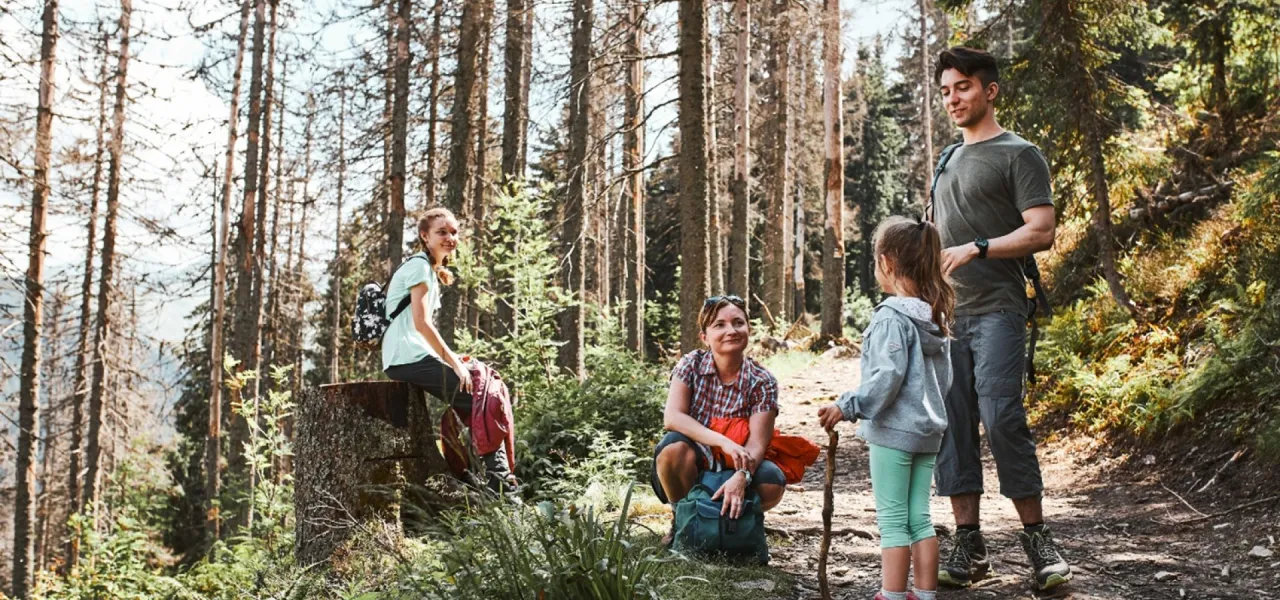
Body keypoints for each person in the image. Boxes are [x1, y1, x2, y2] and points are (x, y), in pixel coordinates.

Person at [928, 46, 1070, 591]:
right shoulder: (945, 160)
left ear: (990, 90)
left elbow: (1041, 230)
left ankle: (1037, 541)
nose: (953, 98)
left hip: (1001, 311)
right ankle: (970, 544)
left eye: (962, 87)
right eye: (945, 90)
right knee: (954, 426)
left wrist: (978, 248)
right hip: (947, 318)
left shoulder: (1020, 154)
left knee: (1002, 415)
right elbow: (936, 237)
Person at [818, 216, 955, 600]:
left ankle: (892, 595)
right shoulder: (935, 315)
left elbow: (886, 378)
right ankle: (924, 595)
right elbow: (944, 382)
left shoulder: (891, 317)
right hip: (928, 432)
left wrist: (847, 406)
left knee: (894, 520)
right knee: (920, 518)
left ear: (888, 263)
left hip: (895, 434)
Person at [381, 207, 514, 490]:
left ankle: (475, 478)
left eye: (453, 232)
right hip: (405, 358)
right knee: (481, 399)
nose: (450, 237)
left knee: (479, 388)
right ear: (424, 236)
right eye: (441, 232)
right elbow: (421, 323)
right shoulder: (418, 267)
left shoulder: (429, 269)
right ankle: (502, 489)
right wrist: (453, 361)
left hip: (412, 355)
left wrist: (457, 360)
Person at [652, 296, 787, 543]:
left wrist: (742, 476)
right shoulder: (690, 364)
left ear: (749, 328)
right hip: (690, 465)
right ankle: (681, 520)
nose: (731, 331)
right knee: (672, 448)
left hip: (736, 465)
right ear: (704, 336)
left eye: (738, 323)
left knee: (772, 483)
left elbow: (757, 444)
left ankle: (735, 522)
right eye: (719, 325)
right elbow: (672, 417)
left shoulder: (763, 381)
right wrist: (723, 441)